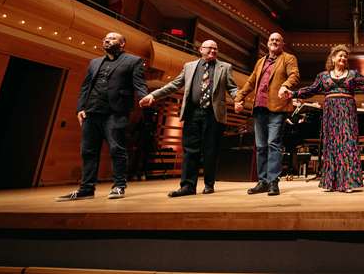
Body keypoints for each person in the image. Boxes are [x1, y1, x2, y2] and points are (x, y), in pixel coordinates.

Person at [139, 40, 238, 197]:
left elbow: (232, 87)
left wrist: (238, 99)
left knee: (210, 151)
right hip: (193, 114)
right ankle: (188, 186)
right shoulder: (189, 66)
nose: (213, 51)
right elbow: (174, 85)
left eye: (216, 49)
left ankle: (208, 184)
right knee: (190, 151)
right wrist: (153, 95)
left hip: (213, 115)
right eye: (210, 48)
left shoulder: (224, 67)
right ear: (201, 49)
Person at [56, 32, 147, 201]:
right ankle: (86, 189)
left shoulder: (133, 61)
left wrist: (144, 97)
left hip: (116, 112)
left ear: (122, 44)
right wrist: (80, 108)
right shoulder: (94, 62)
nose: (106, 40)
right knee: (88, 151)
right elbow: (85, 87)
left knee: (116, 149)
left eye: (112, 38)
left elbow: (139, 84)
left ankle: (119, 186)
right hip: (91, 112)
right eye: (105, 38)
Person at [290, 44, 364, 193]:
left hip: (347, 111)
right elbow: (311, 90)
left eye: (345, 56)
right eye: (340, 55)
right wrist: (293, 94)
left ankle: (348, 183)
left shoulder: (353, 74)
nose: (343, 58)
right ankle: (331, 183)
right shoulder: (323, 76)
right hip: (330, 112)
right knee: (331, 144)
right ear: (333, 58)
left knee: (347, 144)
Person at [234, 33, 299, 196]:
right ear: (267, 43)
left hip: (277, 108)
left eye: (278, 40)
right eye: (272, 40)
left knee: (273, 144)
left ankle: (273, 182)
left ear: (282, 43)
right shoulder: (260, 62)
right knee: (261, 146)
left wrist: (285, 86)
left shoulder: (288, 58)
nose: (274, 42)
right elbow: (250, 82)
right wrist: (239, 97)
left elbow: (294, 76)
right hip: (259, 108)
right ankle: (262, 181)